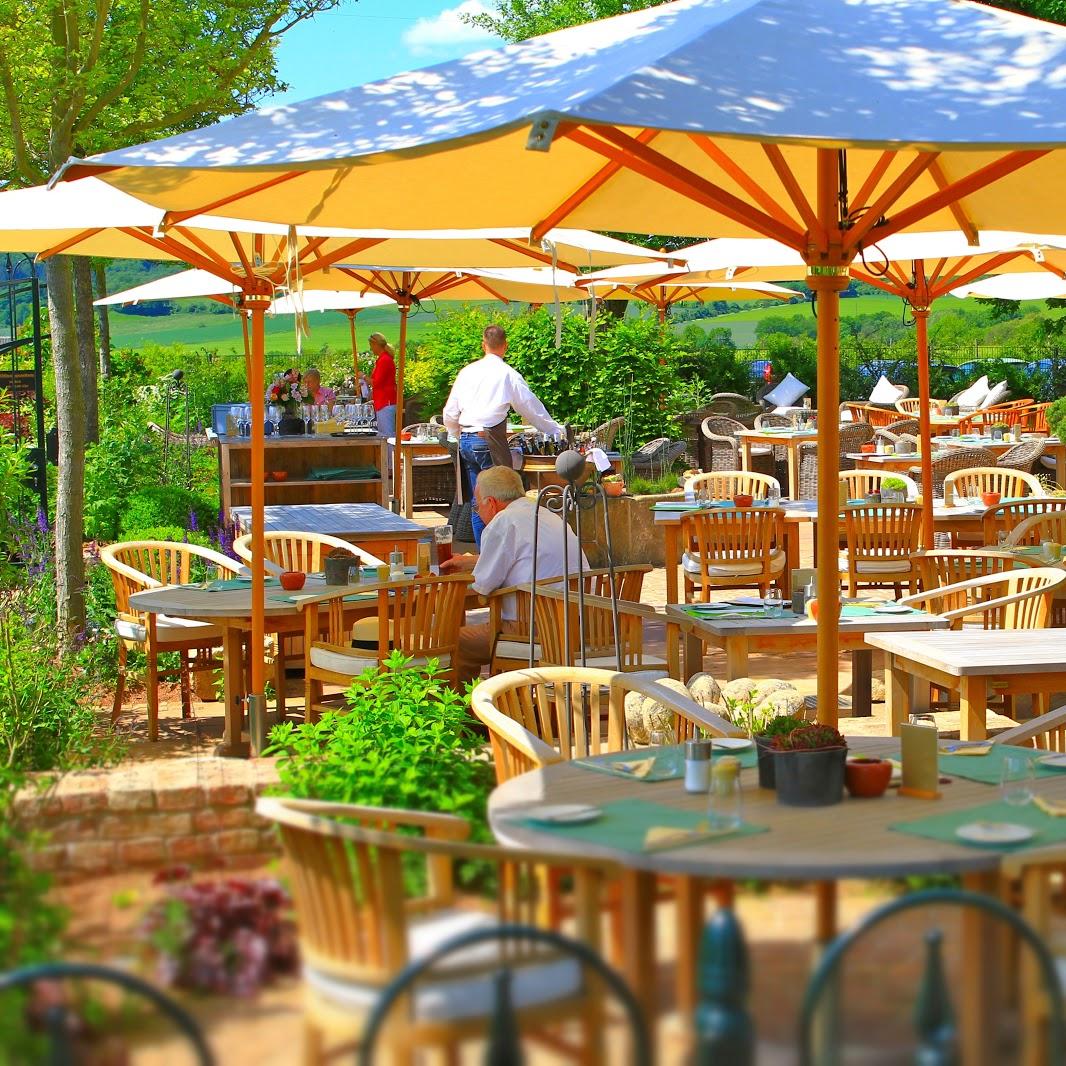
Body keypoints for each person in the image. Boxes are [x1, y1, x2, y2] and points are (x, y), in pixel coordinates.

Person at [441, 465, 586, 688]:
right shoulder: (546, 515)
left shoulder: (503, 521)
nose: (478, 512)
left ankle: (467, 718)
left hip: (529, 630)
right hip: (574, 625)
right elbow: (523, 557)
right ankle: (504, 705)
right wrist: (470, 562)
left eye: (477, 506)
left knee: (453, 642)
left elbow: (482, 588)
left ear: (491, 503)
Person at [443, 324, 565, 548]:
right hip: (488, 440)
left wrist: (455, 433)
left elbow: (450, 412)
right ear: (505, 346)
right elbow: (530, 407)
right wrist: (554, 430)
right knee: (501, 501)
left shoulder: (467, 372)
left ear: (483, 345)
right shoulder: (508, 374)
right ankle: (496, 555)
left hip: (467, 439)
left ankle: (484, 557)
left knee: (479, 503)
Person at [364, 332, 398, 439]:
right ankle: (387, 455)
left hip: (385, 402)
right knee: (384, 434)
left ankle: (389, 456)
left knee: (386, 435)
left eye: (371, 345)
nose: (370, 349)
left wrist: (363, 376)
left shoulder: (385, 360)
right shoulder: (383, 359)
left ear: (376, 345)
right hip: (383, 402)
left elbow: (377, 383)